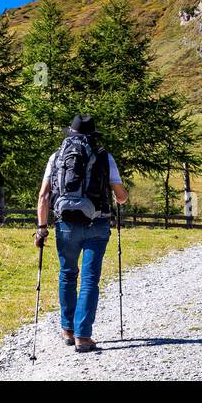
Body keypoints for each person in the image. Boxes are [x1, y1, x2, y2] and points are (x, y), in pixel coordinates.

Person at [34, 114, 128, 352]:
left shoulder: (56, 157)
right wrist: (118, 196)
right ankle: (83, 337)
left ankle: (67, 330)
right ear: (92, 135)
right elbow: (121, 196)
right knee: (89, 279)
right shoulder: (105, 157)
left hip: (65, 224)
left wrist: (42, 228)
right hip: (96, 224)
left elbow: (44, 196)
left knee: (67, 274)